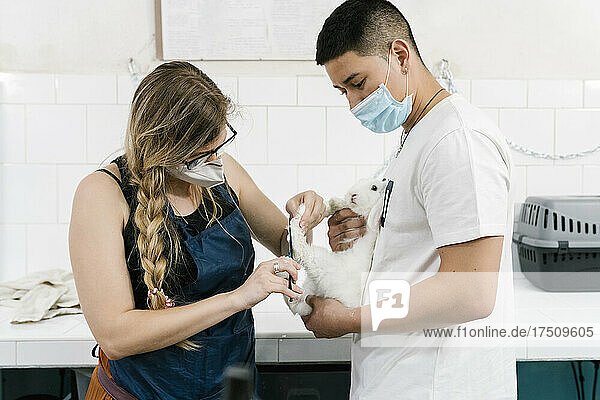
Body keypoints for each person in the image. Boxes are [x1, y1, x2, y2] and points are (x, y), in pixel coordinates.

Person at [293, 1, 517, 399]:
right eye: (342, 90)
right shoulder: (417, 136)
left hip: (436, 385)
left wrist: (350, 318)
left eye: (358, 83)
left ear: (399, 55)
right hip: (398, 378)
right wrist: (352, 227)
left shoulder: (457, 141)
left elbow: (472, 292)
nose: (352, 104)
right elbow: (414, 253)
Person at [69, 61, 327, 400]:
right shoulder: (102, 194)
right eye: (204, 154)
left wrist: (301, 222)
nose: (218, 160)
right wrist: (237, 298)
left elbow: (286, 243)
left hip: (232, 390)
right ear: (165, 149)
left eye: (220, 145)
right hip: (141, 394)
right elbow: (115, 337)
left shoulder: (224, 172)